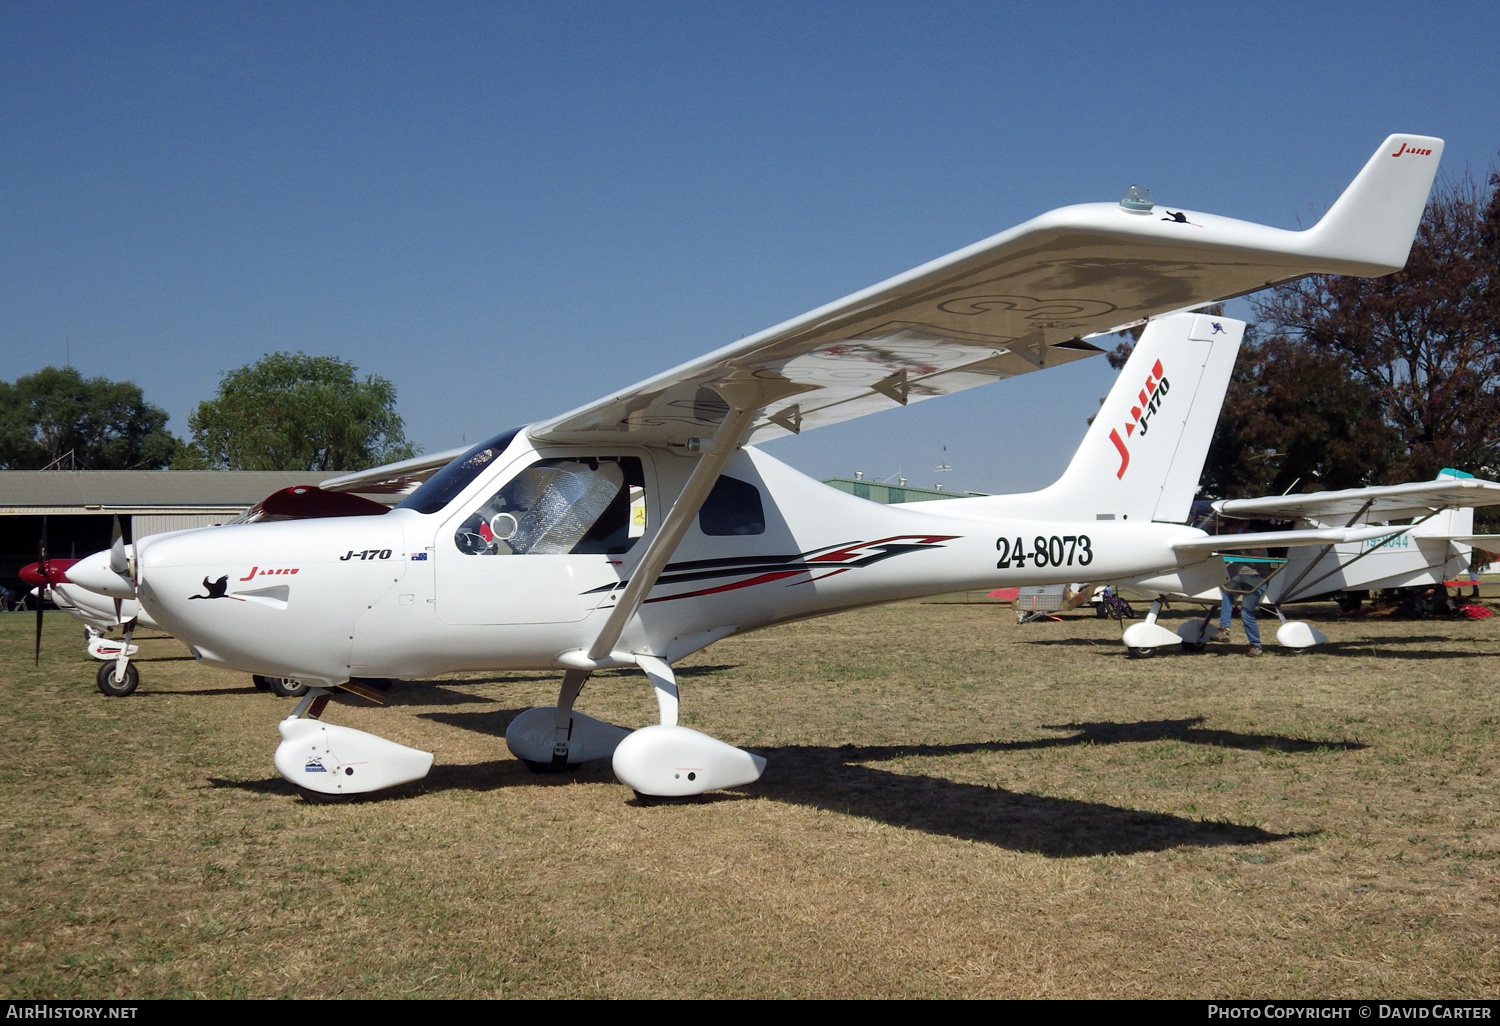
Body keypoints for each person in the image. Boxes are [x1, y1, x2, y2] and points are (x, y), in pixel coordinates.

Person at [1213, 527, 1272, 657]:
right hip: (1241, 577)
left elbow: (1253, 563)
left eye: (1232, 526)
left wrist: (1241, 549)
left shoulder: (1254, 538)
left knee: (1246, 611)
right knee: (1227, 594)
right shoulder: (1237, 537)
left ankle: (1256, 645)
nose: (1229, 531)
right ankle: (1225, 629)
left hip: (1258, 579)